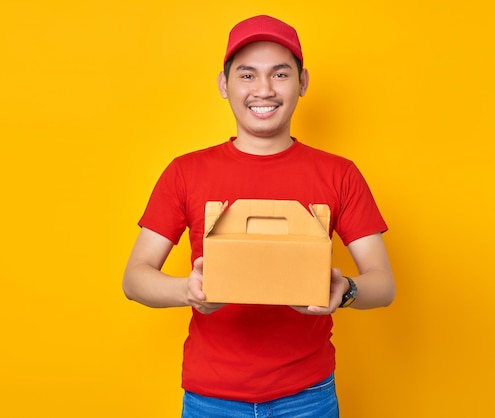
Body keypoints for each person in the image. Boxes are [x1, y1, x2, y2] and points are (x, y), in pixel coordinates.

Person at [123, 14, 395, 418]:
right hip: (210, 399)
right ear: (224, 85)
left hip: (309, 397)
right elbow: (135, 278)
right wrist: (189, 292)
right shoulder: (185, 172)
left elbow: (383, 284)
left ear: (302, 82)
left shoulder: (340, 174)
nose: (264, 90)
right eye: (247, 75)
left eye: (280, 74)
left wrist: (346, 290)